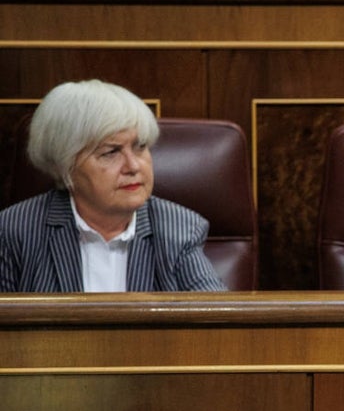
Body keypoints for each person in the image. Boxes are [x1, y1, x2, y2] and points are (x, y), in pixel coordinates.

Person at [0, 80, 225, 293]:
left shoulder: (178, 229)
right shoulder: (15, 231)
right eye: (111, 152)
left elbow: (218, 323)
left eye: (140, 147)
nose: (133, 166)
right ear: (66, 165)